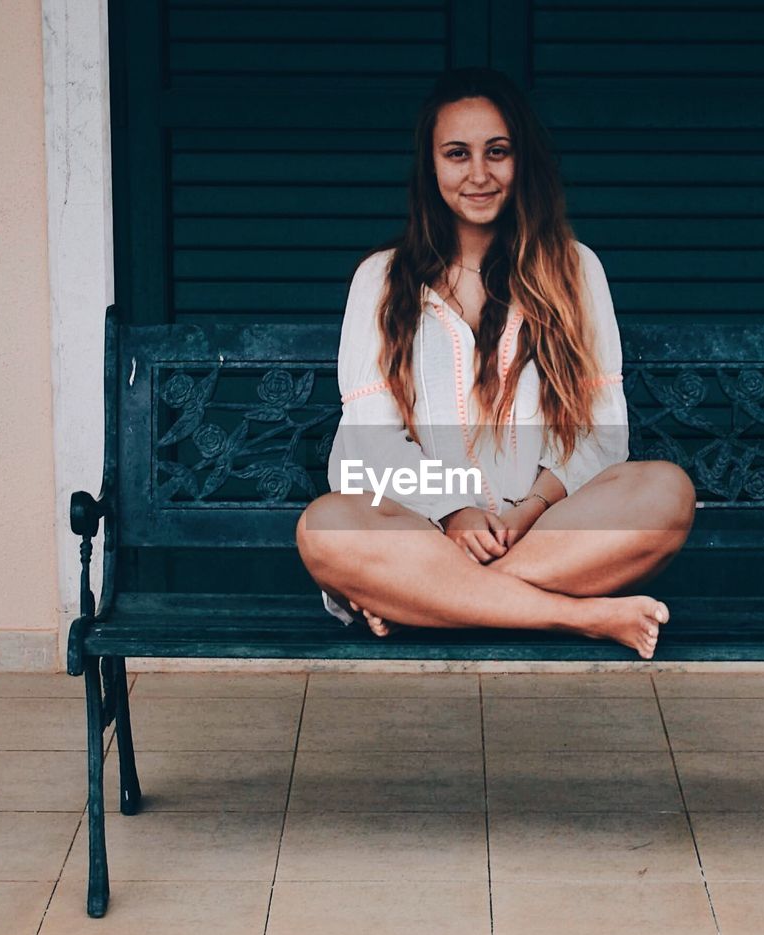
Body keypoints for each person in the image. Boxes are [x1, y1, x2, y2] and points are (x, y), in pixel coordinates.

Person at [296, 67, 695, 659]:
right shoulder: (380, 280)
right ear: (431, 166)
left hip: (544, 530)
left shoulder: (574, 270)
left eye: (497, 152)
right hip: (420, 531)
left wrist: (530, 511)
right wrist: (454, 512)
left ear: (520, 161)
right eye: (457, 153)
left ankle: (426, 605)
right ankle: (576, 617)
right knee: (323, 529)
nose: (478, 174)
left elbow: (601, 431)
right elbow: (371, 441)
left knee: (667, 492)